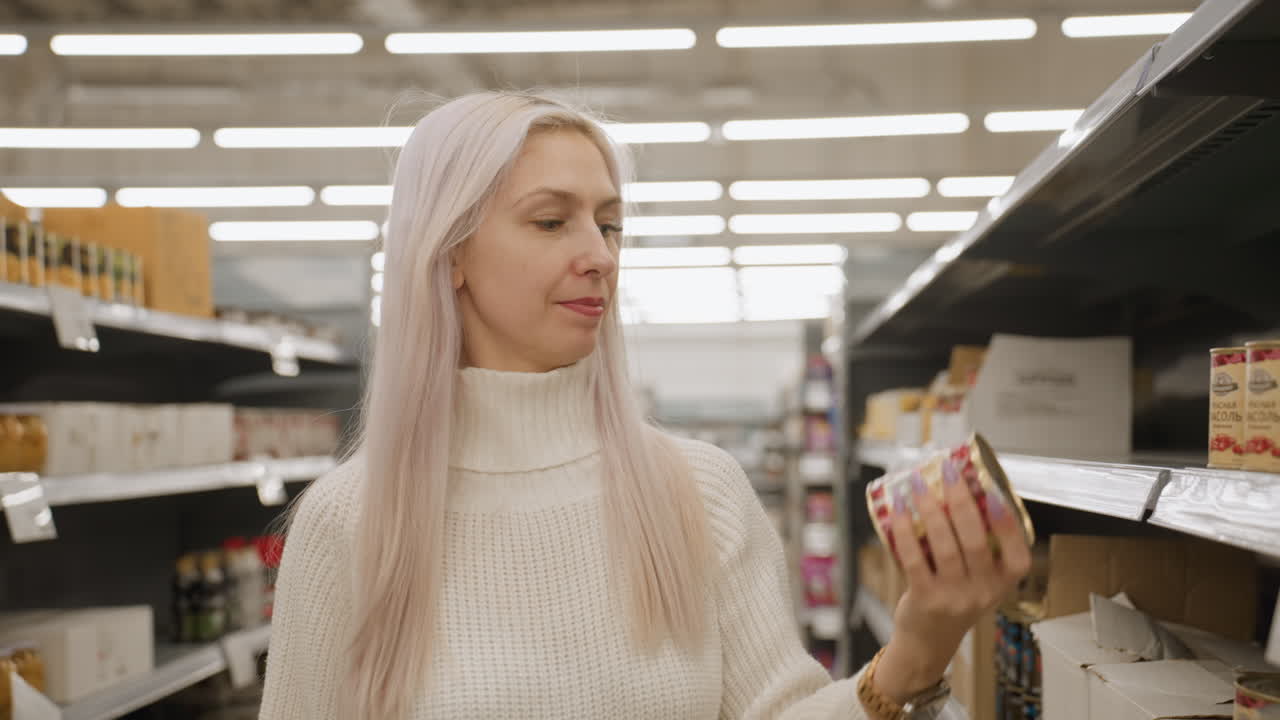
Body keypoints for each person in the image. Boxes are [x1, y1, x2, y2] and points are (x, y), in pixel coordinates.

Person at [259, 91, 1031, 720]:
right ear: (450, 251)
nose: (599, 255)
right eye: (551, 220)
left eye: (610, 223)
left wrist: (917, 652)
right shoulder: (351, 523)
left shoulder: (699, 491)